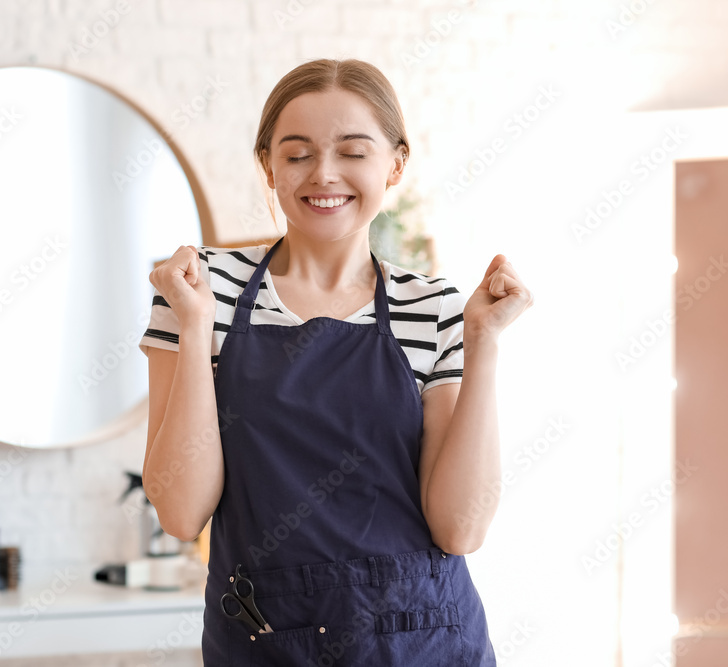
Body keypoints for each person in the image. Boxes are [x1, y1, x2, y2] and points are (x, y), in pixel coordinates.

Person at [137, 58, 533, 666]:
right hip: (267, 642)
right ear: (267, 164)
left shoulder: (432, 308)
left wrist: (482, 345)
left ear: (395, 164)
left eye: (353, 151)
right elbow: (180, 511)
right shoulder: (198, 291)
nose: (324, 175)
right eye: (297, 154)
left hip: (425, 641)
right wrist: (194, 330)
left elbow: (460, 529)